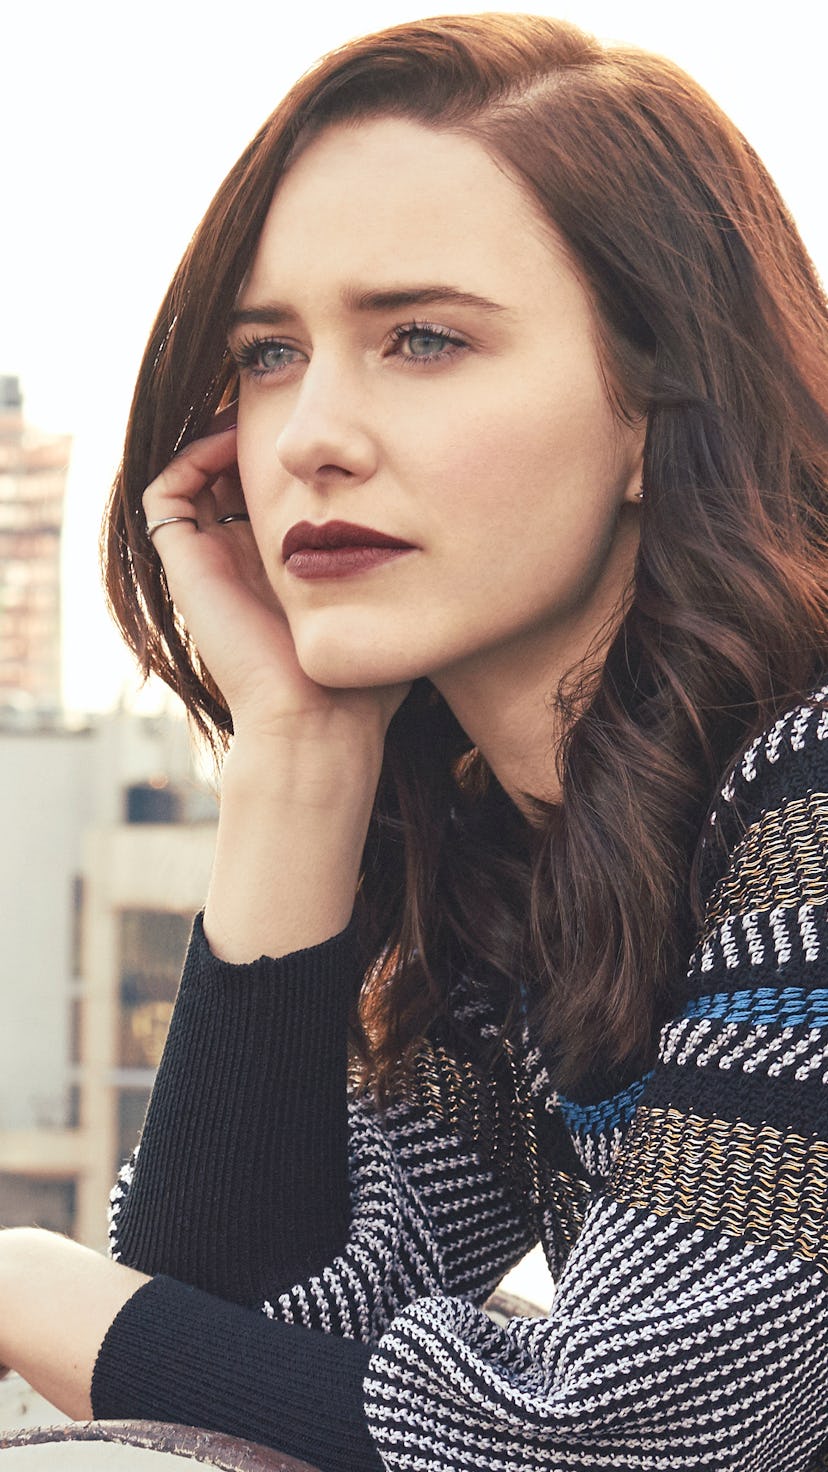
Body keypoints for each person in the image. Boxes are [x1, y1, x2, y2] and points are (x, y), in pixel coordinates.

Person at [1, 12, 826, 1470]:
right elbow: (250, 1332)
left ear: (648, 400)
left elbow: (626, 1436)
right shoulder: (512, 857)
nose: (311, 432)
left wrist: (27, 1283)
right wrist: (299, 754)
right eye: (267, 355)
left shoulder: (806, 796)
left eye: (424, 339)